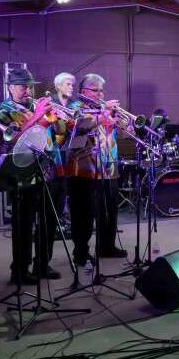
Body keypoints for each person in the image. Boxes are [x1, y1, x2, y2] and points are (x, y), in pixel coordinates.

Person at [0, 68, 66, 285]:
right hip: (22, 173)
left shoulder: (38, 105)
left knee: (48, 221)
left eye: (30, 86)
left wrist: (57, 117)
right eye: (23, 86)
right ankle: (20, 270)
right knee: (23, 224)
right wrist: (38, 116)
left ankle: (42, 264)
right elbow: (14, 139)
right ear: (11, 88)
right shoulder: (3, 110)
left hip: (47, 169)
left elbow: (60, 131)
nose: (28, 90)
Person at [66, 73, 125, 267]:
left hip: (109, 167)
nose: (100, 94)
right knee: (84, 213)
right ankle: (80, 252)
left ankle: (107, 246)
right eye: (96, 91)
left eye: (102, 91)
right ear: (84, 92)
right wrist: (104, 114)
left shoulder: (104, 108)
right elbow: (80, 129)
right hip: (85, 169)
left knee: (109, 210)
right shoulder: (76, 108)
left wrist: (121, 122)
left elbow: (122, 134)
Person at [50, 72, 76, 232]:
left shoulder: (73, 105)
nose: (71, 87)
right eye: (68, 84)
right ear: (58, 86)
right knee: (55, 186)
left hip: (68, 149)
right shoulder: (50, 102)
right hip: (53, 149)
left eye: (72, 84)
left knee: (64, 186)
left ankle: (61, 218)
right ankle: (53, 220)